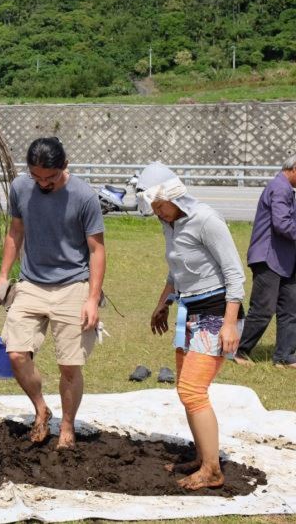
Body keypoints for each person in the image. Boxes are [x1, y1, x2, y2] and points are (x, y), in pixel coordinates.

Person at [0, 137, 105, 449]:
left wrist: (92, 298)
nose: (42, 183)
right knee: (15, 353)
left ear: (64, 166)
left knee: (69, 365)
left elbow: (97, 250)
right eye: (36, 177)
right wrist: (3, 276)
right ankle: (41, 407)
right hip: (31, 282)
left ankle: (67, 427)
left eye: (50, 178)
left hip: (73, 284)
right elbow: (15, 231)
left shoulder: (84, 196)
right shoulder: (20, 188)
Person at [140, 162, 246, 490]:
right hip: (189, 310)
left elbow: (235, 275)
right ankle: (203, 457)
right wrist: (163, 302)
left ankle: (212, 470)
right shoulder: (170, 223)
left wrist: (229, 326)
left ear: (174, 198)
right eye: (154, 208)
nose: (158, 213)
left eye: (160, 207)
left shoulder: (206, 220)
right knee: (186, 391)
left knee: (192, 390)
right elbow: (177, 270)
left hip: (217, 313)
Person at [235, 157, 296, 368]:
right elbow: (282, 224)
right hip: (269, 257)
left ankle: (284, 356)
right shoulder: (280, 188)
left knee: (290, 308)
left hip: (286, 259)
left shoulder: (285, 189)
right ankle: (238, 350)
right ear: (294, 170)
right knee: (263, 308)